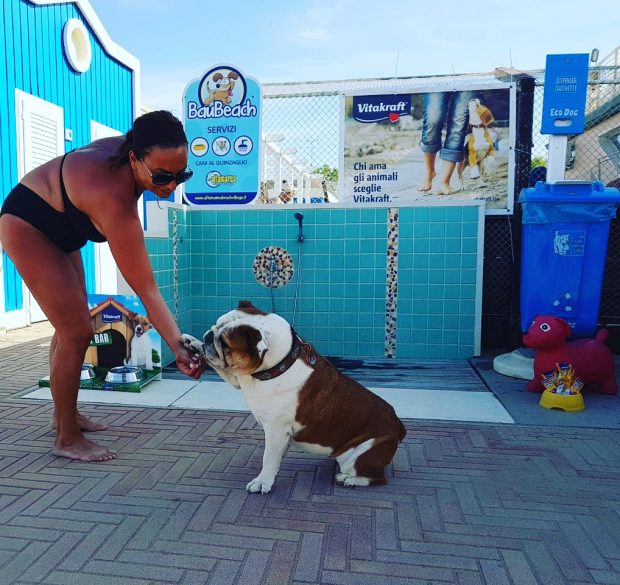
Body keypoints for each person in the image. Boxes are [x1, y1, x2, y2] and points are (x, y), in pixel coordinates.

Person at [0, 110, 206, 462]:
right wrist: (178, 345)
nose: (171, 186)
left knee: (72, 323)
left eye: (180, 175)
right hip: (27, 225)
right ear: (133, 158)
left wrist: (177, 343)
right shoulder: (112, 198)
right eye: (161, 176)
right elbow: (147, 290)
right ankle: (66, 438)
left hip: (63, 226)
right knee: (77, 331)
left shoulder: (132, 148)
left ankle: (64, 414)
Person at [418, 90, 474, 195]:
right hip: (437, 77)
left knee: (458, 124)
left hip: (466, 77)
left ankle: (445, 182)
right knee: (432, 119)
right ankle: (430, 172)